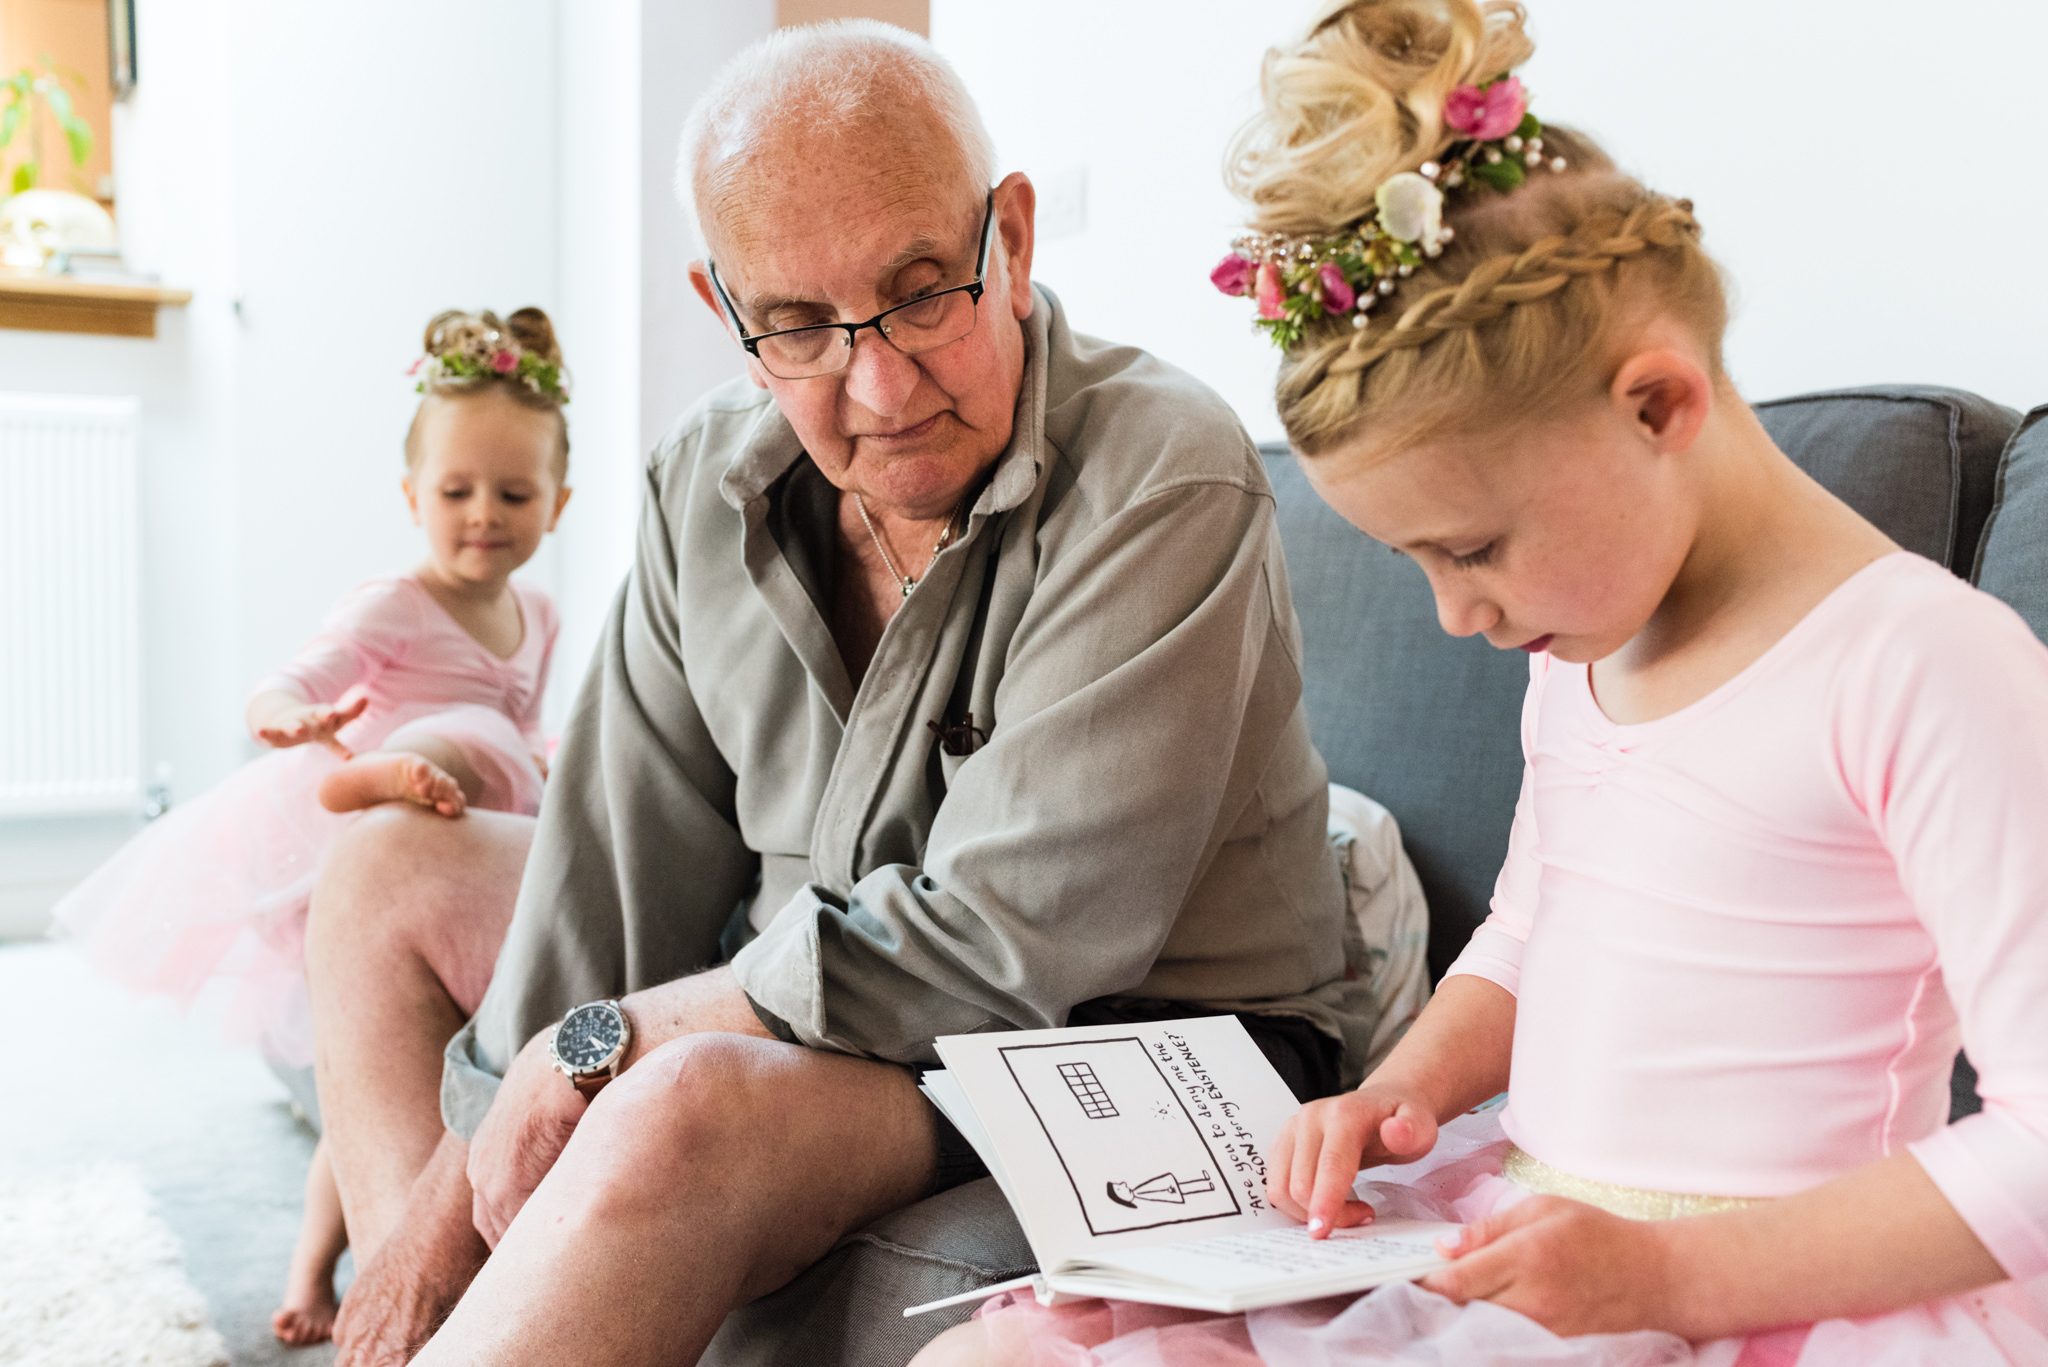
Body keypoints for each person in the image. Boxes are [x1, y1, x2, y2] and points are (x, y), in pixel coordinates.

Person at [914, 1, 2048, 1362]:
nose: (1457, 613)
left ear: (1657, 405)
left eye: (1474, 548)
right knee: (1012, 1346)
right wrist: (1396, 1090)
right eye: (1417, 564)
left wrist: (1664, 1277)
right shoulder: (1580, 632)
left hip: (1748, 1295)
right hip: (1526, 1237)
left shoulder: (1923, 663)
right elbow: (1527, 933)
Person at [307, 21, 1373, 1367]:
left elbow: (1009, 940)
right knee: (383, 870)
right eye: (802, 326)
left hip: (1127, 1046)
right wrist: (452, 1194)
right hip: (827, 1006)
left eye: (924, 290)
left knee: (678, 1092)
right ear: (729, 316)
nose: (878, 385)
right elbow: (620, 854)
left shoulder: (1167, 469)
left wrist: (615, 1042)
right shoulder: (700, 480)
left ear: (1015, 240)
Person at [53, 305, 572, 1346]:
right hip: (363, 822)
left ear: (558, 502)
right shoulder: (394, 604)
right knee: (457, 735)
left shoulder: (542, 614)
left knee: (391, 1087)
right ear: (410, 496)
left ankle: (321, 1271)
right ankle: (384, 775)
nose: (483, 515)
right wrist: (289, 718)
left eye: (513, 493)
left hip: (469, 813)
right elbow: (285, 684)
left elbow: (521, 720)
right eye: (456, 492)